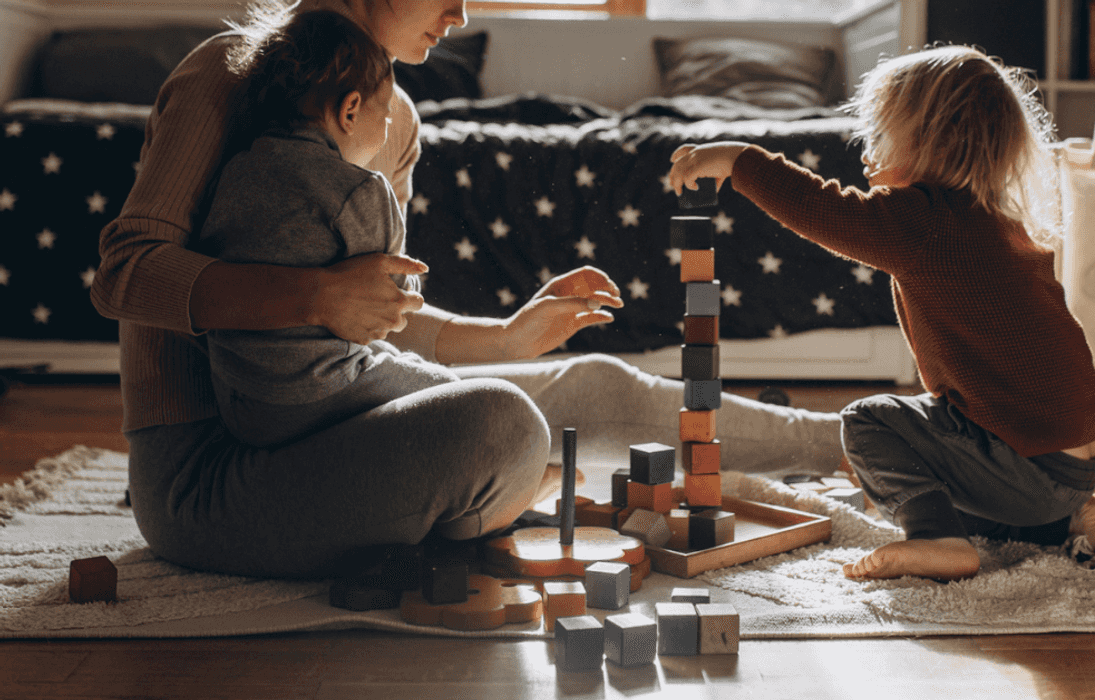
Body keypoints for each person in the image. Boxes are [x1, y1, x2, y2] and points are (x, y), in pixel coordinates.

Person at [90, 0, 845, 580]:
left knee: (588, 384)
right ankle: (473, 508)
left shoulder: (397, 118)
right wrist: (313, 298)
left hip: (337, 409)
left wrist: (506, 338)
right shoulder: (227, 69)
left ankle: (851, 442)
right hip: (208, 473)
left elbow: (375, 310)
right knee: (499, 427)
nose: (460, 15)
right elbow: (126, 271)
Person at [667, 45, 1095, 581]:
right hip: (1073, 462)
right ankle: (1065, 519)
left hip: (1027, 463)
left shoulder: (924, 219)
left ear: (931, 144)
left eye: (879, 138)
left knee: (868, 422)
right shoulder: (995, 220)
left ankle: (938, 538)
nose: (865, 155)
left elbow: (823, 209)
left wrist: (740, 159)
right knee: (932, 461)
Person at [195, 10, 458, 449]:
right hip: (321, 389)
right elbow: (395, 290)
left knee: (388, 361)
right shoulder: (361, 189)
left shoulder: (236, 169)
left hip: (241, 403)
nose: (389, 128)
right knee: (453, 394)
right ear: (350, 110)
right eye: (386, 116)